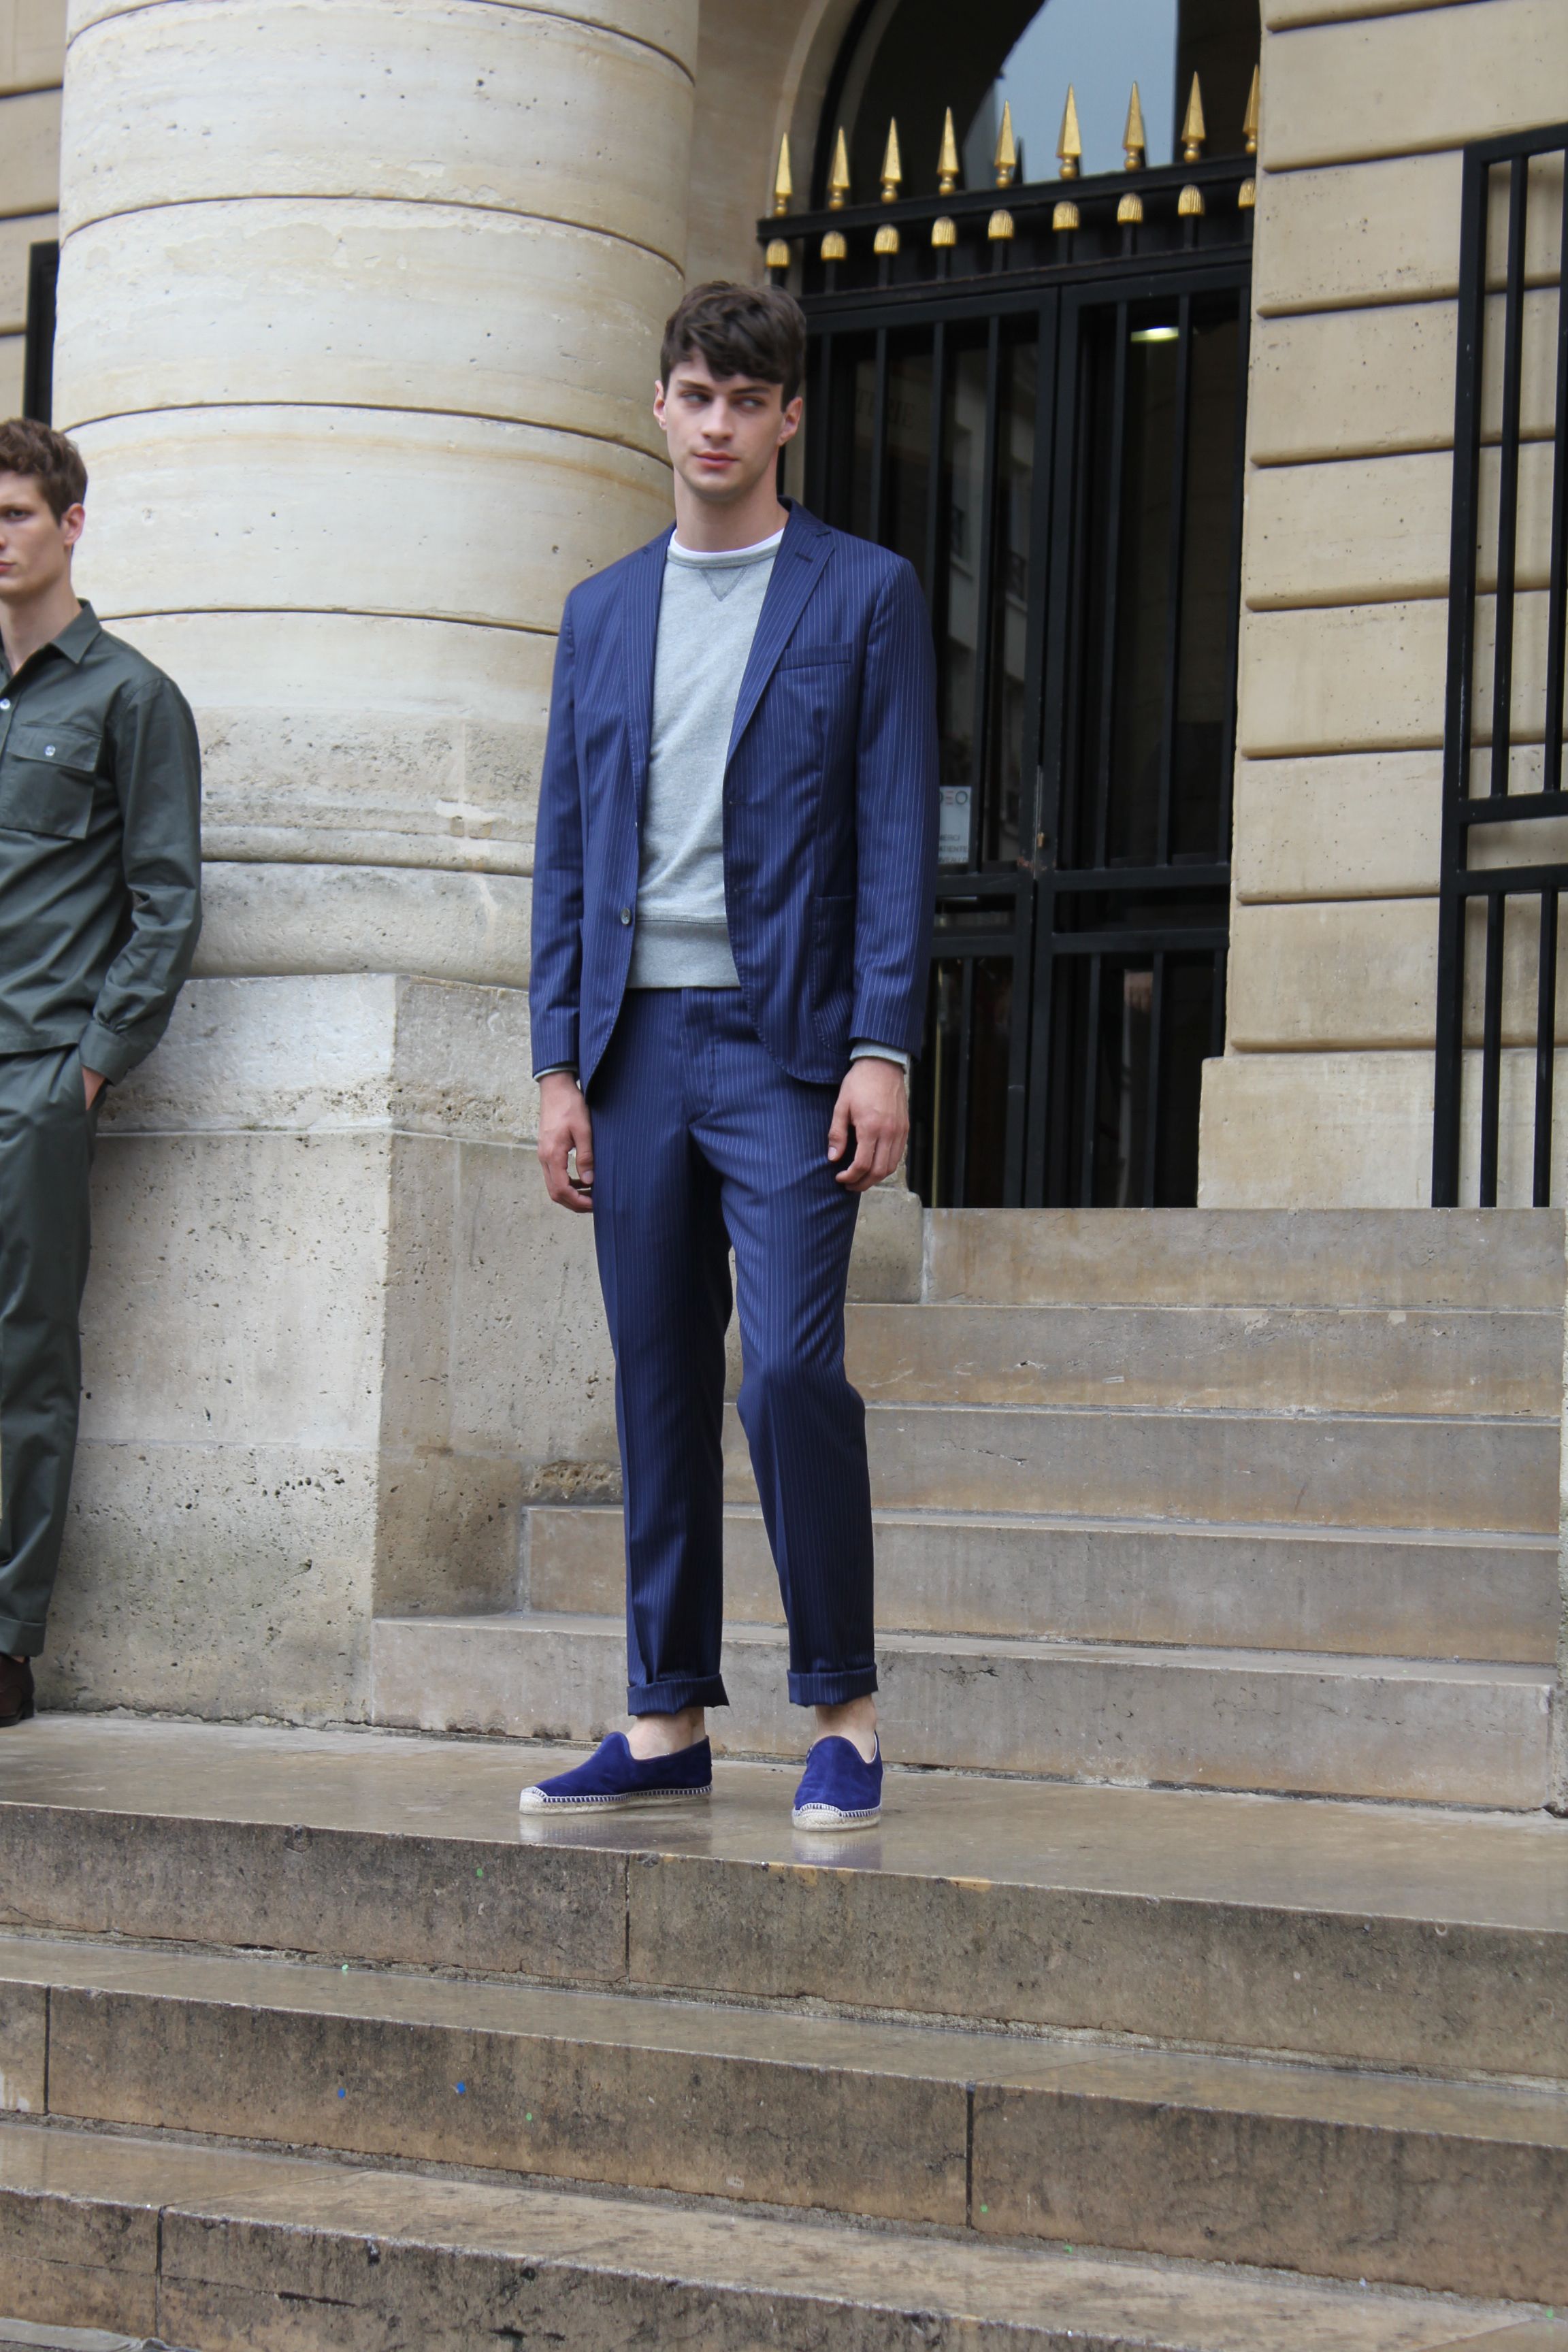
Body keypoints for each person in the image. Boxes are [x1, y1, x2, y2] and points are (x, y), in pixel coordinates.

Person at [522, 282, 937, 1829]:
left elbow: (894, 834)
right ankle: (665, 1719)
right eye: (695, 395)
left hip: (790, 1049)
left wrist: (883, 1046)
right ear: (660, 406)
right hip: (631, 1046)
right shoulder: (600, 611)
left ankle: (846, 1714)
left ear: (787, 419)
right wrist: (556, 1067)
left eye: (746, 401)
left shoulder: (864, 593)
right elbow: (566, 849)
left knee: (791, 1370)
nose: (717, 425)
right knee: (655, 1378)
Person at [0, 419, 201, 1725]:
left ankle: (6, 1637)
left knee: (22, 1355)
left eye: (16, 513)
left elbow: (167, 901)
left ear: (71, 525)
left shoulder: (132, 697)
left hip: (33, 1076)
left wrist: (91, 1066)